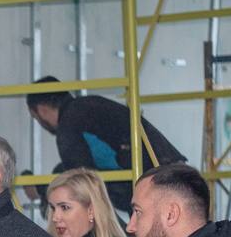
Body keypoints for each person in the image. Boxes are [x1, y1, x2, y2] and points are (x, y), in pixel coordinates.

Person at [26, 75, 186, 213]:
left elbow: (81, 182)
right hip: (174, 172)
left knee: (75, 183)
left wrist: (45, 192)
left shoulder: (68, 126)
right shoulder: (90, 105)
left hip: (154, 184)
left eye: (35, 117)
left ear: (42, 110)